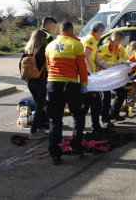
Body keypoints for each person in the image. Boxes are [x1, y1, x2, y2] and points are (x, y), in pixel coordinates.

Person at [45, 20, 88, 165]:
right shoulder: (76, 44)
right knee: (78, 116)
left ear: (60, 31)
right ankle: (76, 145)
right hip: (70, 84)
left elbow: (48, 65)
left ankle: (55, 154)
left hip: (52, 84)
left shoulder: (50, 45)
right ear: (71, 31)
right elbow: (82, 68)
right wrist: (84, 84)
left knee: (55, 120)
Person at [20, 29, 48, 139]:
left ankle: (40, 127)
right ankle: (33, 130)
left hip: (30, 82)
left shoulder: (27, 49)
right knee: (40, 106)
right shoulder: (43, 50)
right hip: (40, 81)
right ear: (42, 38)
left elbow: (20, 65)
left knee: (38, 104)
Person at [81, 21, 108, 134]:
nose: (102, 35)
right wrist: (91, 73)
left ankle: (93, 126)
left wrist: (108, 69)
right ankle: (91, 127)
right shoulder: (91, 40)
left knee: (93, 102)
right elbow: (85, 57)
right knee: (91, 102)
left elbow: (96, 60)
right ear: (99, 30)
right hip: (88, 76)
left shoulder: (93, 40)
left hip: (89, 75)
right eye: (102, 32)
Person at [97, 31, 129, 126]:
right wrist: (107, 65)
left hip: (114, 76)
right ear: (116, 40)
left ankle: (114, 113)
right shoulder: (104, 48)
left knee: (122, 93)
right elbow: (97, 60)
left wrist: (122, 62)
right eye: (121, 41)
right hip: (104, 76)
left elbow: (126, 59)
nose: (122, 43)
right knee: (106, 98)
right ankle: (105, 120)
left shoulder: (121, 49)